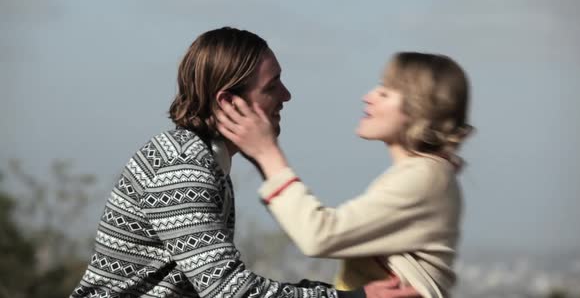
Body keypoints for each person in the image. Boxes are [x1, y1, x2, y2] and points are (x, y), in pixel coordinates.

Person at [70, 27, 414, 298]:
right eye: (272, 86)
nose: (286, 95)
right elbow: (230, 291)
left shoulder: (204, 160)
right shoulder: (182, 169)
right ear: (229, 102)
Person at [215, 52, 473, 298]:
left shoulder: (424, 178)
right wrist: (261, 153)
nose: (368, 97)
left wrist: (267, 154)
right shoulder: (426, 175)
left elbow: (319, 236)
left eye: (384, 92)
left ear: (419, 108)